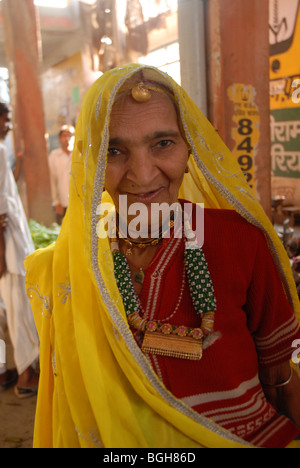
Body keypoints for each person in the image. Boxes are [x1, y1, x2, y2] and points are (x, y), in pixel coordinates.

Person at [25, 65, 300, 448]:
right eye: (115, 150)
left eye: (163, 144)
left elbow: (280, 379)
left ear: (190, 148)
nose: (141, 173)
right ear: (92, 162)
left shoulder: (240, 240)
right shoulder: (68, 268)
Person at [0, 102, 39, 398]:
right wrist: (2, 254)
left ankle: (5, 371)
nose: (9, 125)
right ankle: (26, 377)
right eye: (6, 119)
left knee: (12, 309)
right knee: (20, 310)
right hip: (9, 247)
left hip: (8, 243)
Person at [48, 125, 74, 224]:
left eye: (70, 135)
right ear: (59, 138)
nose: (67, 138)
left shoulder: (79, 155)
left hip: (79, 201)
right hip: (63, 202)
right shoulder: (54, 156)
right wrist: (55, 201)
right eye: (64, 135)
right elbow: (52, 180)